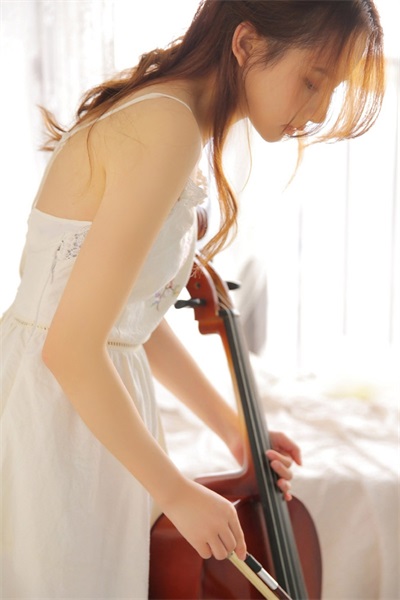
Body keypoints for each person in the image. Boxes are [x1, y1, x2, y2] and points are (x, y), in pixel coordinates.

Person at [1, 0, 384, 597]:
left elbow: (131, 318)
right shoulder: (167, 126)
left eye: (331, 91)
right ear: (247, 44)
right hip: (56, 413)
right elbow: (70, 349)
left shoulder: (175, 120)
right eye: (313, 81)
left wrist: (236, 432)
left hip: (83, 407)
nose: (318, 112)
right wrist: (176, 491)